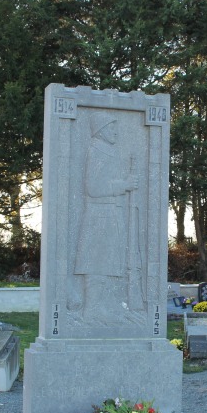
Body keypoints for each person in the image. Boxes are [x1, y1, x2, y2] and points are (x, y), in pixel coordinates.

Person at [71, 111, 140, 321]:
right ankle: (91, 309)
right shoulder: (97, 151)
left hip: (110, 213)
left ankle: (101, 307)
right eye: (111, 127)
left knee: (107, 261)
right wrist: (124, 185)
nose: (116, 132)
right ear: (100, 130)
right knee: (97, 261)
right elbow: (93, 187)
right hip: (100, 214)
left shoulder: (107, 150)